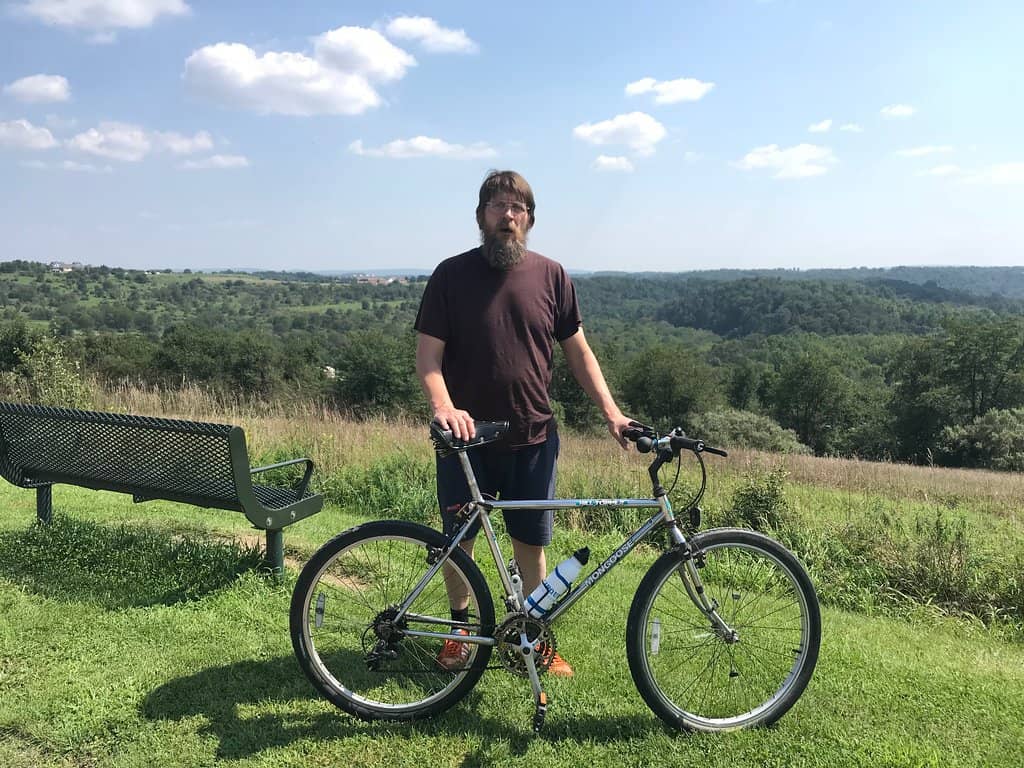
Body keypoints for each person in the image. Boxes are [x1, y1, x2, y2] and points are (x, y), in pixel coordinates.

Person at [414, 170, 633, 677]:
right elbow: (428, 356)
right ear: (480, 216)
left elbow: (579, 353)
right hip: (466, 440)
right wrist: (444, 407)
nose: (508, 216)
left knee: (531, 545)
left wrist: (612, 413)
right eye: (498, 206)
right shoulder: (450, 275)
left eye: (518, 208)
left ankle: (530, 639)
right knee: (459, 542)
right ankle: (459, 633)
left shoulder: (552, 276)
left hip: (534, 437)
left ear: (529, 219)